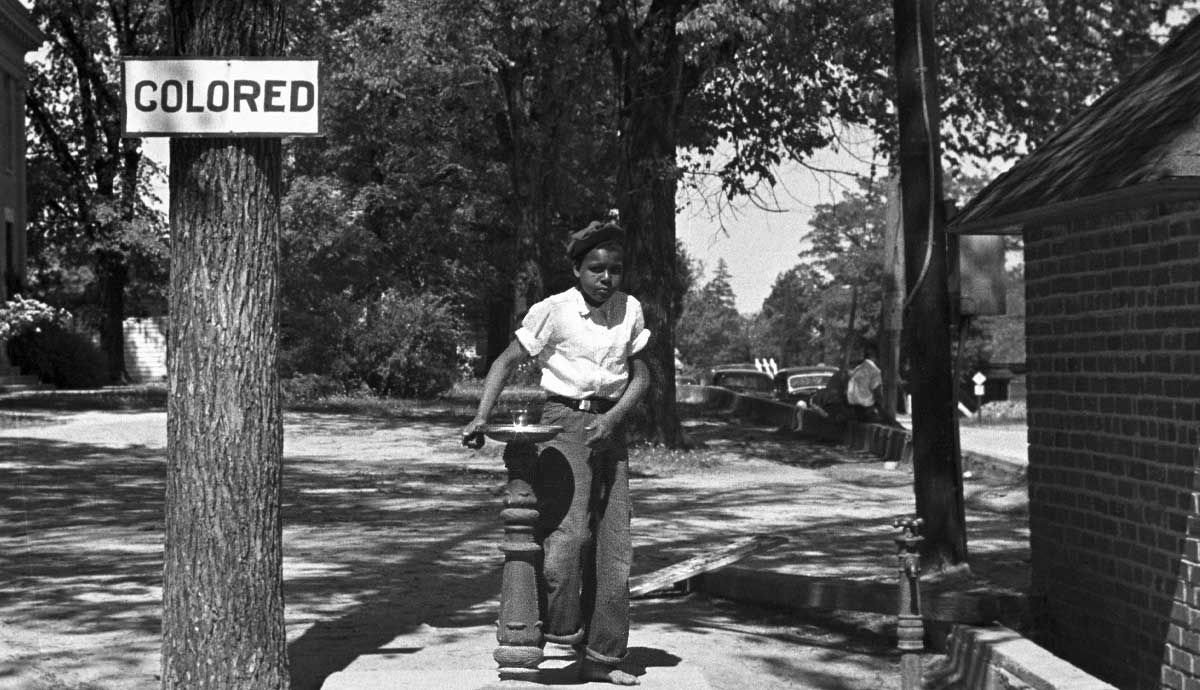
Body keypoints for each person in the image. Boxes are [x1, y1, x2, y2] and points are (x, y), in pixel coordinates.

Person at [462, 219, 650, 686]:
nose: (606, 278)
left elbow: (642, 376)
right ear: (577, 270)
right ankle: (562, 630)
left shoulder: (631, 311)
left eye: (615, 270)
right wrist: (482, 416)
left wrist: (613, 419)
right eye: (596, 269)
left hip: (611, 427)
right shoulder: (554, 310)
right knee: (565, 542)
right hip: (562, 423)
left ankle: (603, 658)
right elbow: (506, 360)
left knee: (613, 548)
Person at [846, 342, 893, 424]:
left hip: (852, 408)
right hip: (865, 410)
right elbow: (878, 394)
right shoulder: (874, 370)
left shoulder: (857, 369)